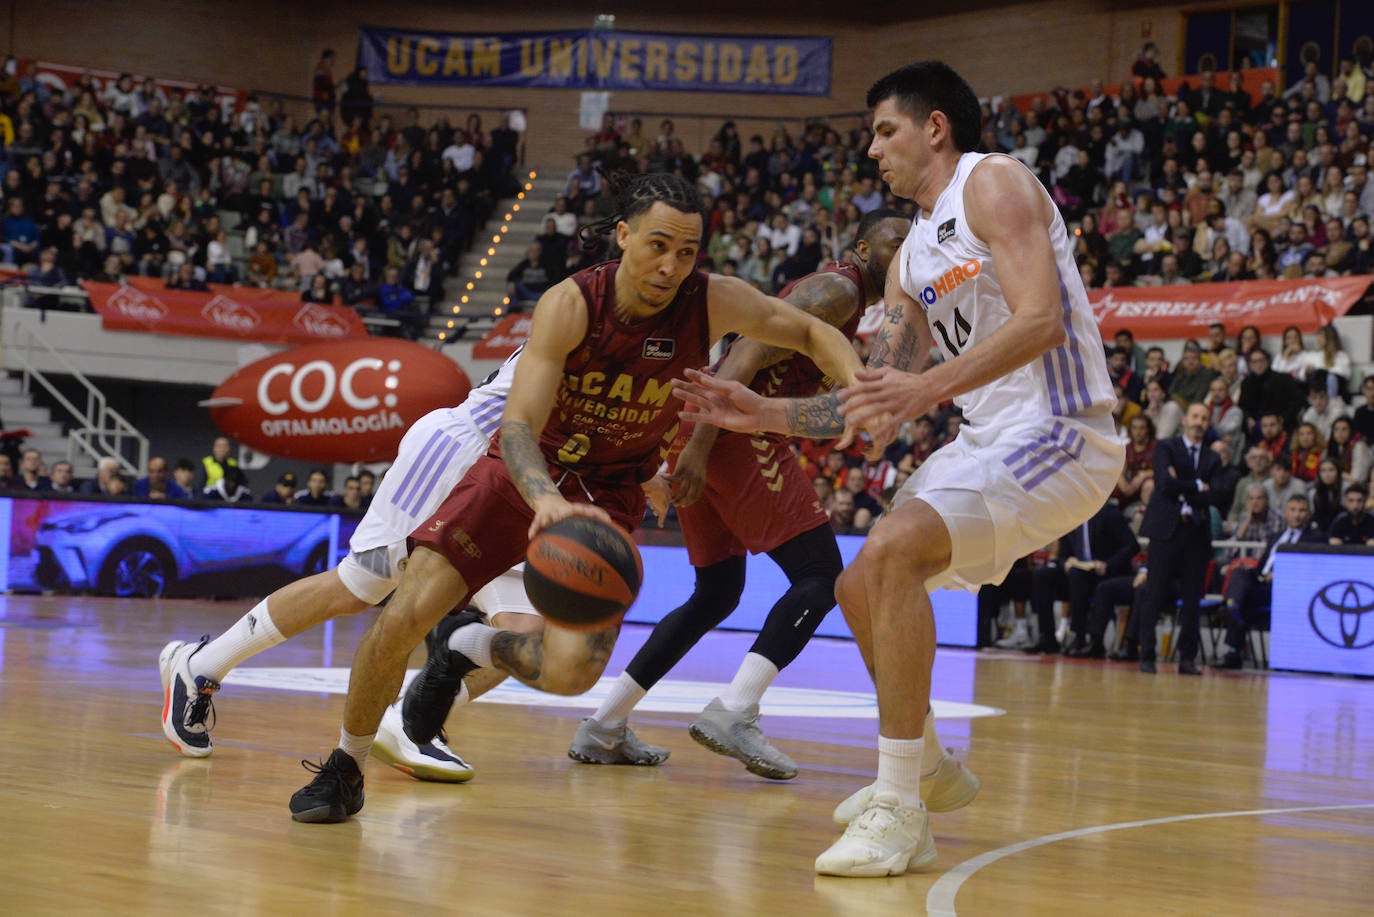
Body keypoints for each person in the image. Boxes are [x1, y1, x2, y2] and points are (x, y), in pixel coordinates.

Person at [289, 171, 864, 824]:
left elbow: (812, 332)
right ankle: (345, 766)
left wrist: (860, 383)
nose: (671, 266)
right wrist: (544, 500)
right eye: (658, 246)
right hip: (522, 474)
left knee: (570, 674)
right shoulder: (571, 304)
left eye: (686, 252)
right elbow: (516, 428)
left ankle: (466, 647)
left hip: (611, 491)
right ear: (623, 236)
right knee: (401, 617)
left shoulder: (712, 300)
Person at [674, 62, 1124, 877]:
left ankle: (898, 805)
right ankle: (928, 767)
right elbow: (873, 402)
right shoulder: (908, 260)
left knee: (890, 552)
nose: (874, 150)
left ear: (934, 127)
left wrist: (926, 387)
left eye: (885, 131)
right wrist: (762, 413)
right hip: (988, 438)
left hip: (1061, 428)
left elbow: (1042, 321)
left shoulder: (994, 184)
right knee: (857, 585)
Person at [566, 210, 917, 781]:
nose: (905, 250)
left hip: (712, 431)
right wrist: (700, 446)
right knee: (822, 575)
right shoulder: (839, 290)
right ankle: (736, 709)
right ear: (861, 248)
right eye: (894, 241)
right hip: (728, 433)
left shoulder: (847, 298)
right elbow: (746, 352)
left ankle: (604, 724)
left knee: (717, 592)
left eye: (911, 242)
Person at [159, 348, 542, 779]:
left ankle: (412, 718)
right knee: (359, 584)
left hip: (519, 484)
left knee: (525, 631)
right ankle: (202, 665)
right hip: (460, 456)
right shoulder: (581, 325)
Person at [1137, 402, 1226, 676]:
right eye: (1195, 416)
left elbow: (1217, 495)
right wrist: (1198, 484)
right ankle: (1147, 655)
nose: (1199, 422)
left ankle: (1187, 658)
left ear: (1208, 424)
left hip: (1195, 532)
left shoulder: (1212, 458)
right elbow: (1164, 483)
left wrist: (1182, 485)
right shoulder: (1166, 447)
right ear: (1185, 419)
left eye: (1204, 418)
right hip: (1165, 531)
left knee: (1192, 598)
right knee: (1154, 592)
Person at [1213, 495, 1324, 669]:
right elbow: (1261, 567)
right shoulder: (1276, 536)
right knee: (1240, 572)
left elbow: (1312, 570)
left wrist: (1281, 575)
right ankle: (1231, 607)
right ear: (1286, 512)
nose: (1297, 515)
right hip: (1261, 582)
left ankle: (1233, 649)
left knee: (1245, 599)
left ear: (1308, 514)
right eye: (1293, 510)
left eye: (1302, 510)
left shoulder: (1315, 539)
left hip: (1286, 588)